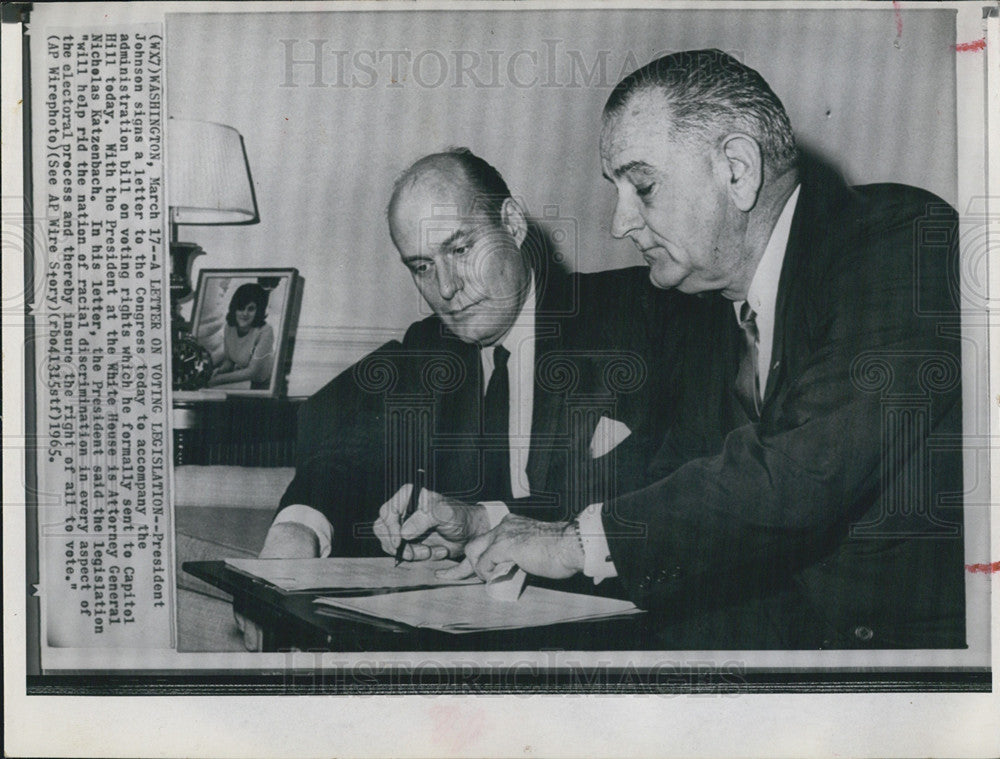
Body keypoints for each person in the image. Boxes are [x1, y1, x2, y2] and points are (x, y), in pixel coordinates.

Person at [393, 51, 965, 650]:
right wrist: (492, 523)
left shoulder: (900, 242)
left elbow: (801, 470)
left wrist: (573, 544)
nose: (619, 224)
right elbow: (665, 473)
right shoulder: (709, 309)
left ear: (738, 170)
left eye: (642, 186)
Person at [236, 148, 704, 649]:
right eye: (421, 266)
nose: (446, 288)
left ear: (512, 223)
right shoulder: (429, 347)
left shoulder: (644, 312)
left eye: (460, 250)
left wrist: (484, 518)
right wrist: (297, 530)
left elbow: (678, 480)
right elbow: (345, 443)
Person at [207, 282, 276, 389]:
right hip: (243, 381)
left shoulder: (266, 331)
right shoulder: (229, 327)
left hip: (264, 386)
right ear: (234, 308)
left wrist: (218, 379)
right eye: (241, 308)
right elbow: (229, 361)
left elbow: (252, 372)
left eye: (251, 309)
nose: (245, 313)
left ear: (259, 310)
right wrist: (218, 372)